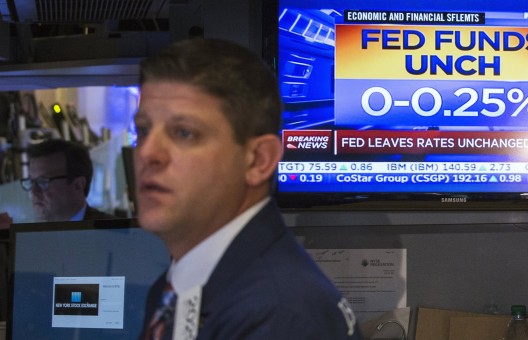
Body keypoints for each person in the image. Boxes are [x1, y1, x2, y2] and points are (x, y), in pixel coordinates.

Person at [135, 38, 361, 340]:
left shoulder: (278, 315)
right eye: (143, 129)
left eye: (184, 132)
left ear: (258, 160)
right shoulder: (176, 284)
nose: (148, 152)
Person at [21, 139, 116, 221]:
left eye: (43, 181)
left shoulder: (114, 233)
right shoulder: (26, 236)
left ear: (78, 185)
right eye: (32, 182)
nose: (33, 192)